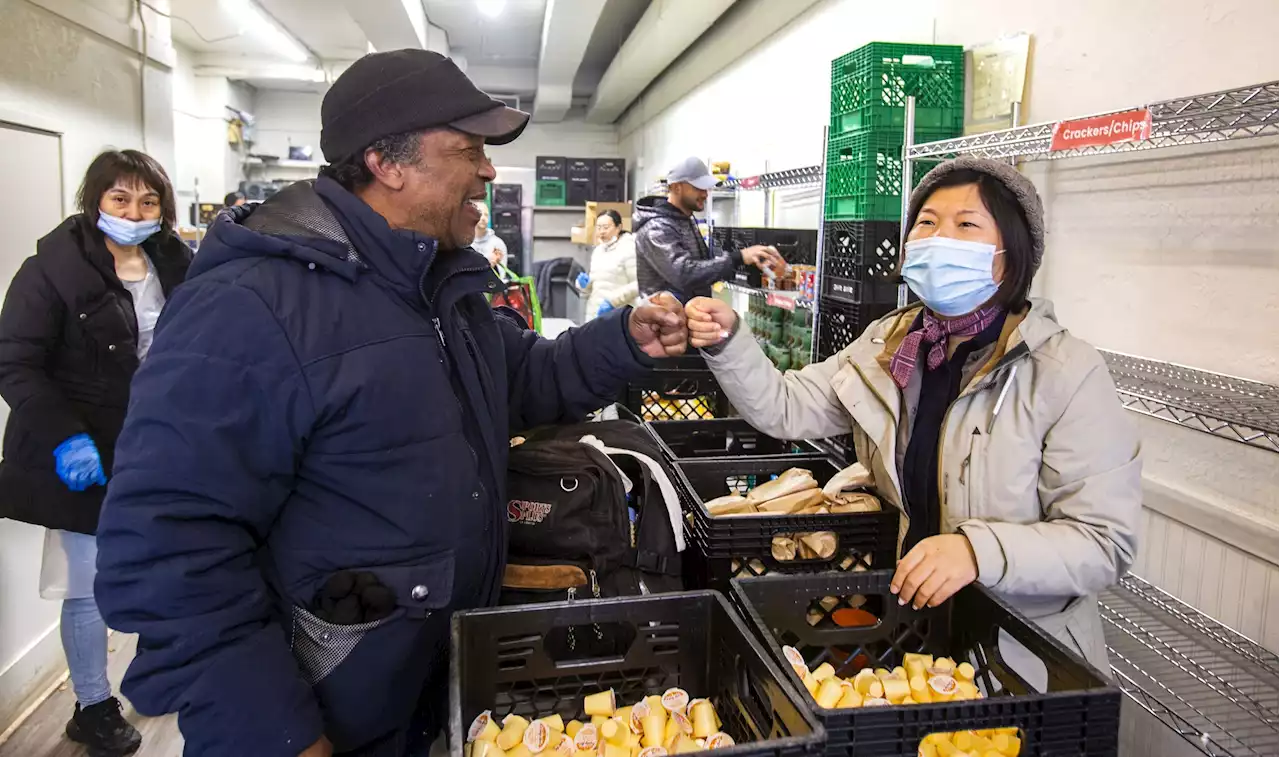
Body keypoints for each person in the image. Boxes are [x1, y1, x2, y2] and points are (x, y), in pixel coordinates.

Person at [93, 49, 688, 757]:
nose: (489, 171)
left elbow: (522, 376)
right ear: (387, 162)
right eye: (468, 150)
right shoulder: (250, 307)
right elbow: (168, 546)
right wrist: (276, 733)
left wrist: (624, 339)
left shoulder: (435, 286)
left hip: (433, 696)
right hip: (329, 714)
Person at [685, 156, 1141, 677]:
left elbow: (1105, 541)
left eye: (966, 224)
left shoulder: (1064, 372)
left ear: (1010, 257)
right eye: (927, 223)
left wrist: (978, 551)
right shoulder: (889, 344)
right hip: (907, 635)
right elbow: (787, 407)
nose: (938, 237)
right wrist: (729, 342)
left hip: (1018, 656)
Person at [0, 149, 192, 757]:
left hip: (159, 442)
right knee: (87, 584)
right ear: (95, 200)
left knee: (165, 565)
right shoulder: (53, 268)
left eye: (148, 201)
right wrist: (64, 436)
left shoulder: (172, 260)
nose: (134, 212)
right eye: (120, 199)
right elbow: (15, 361)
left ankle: (157, 674)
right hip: (83, 446)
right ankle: (92, 704)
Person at [633, 157, 781, 301]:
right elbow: (684, 274)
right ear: (677, 187)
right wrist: (738, 257)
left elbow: (701, 266)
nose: (705, 194)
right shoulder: (657, 228)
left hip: (690, 317)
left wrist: (748, 262)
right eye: (698, 188)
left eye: (706, 188)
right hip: (664, 321)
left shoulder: (684, 220)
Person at [579, 209, 638, 319]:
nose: (602, 232)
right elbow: (593, 287)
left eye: (606, 228)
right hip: (595, 314)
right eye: (599, 227)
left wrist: (612, 302)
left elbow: (638, 284)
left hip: (619, 315)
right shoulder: (598, 251)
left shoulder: (629, 249)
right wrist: (584, 285)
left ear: (618, 227)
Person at [471, 200, 507, 269]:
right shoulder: (464, 244)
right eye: (480, 214)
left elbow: (501, 275)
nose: (483, 218)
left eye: (486, 215)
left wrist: (493, 265)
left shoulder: (498, 244)